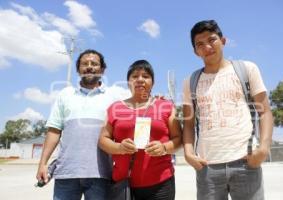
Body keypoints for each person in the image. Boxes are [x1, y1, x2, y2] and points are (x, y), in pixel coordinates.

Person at [182, 20, 273, 200]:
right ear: (195, 51)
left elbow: (265, 112)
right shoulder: (190, 81)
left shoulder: (247, 69)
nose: (207, 46)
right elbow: (189, 123)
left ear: (223, 41)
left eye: (212, 39)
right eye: (200, 44)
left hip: (246, 162)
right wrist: (188, 153)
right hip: (207, 166)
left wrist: (263, 148)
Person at [36, 49, 120, 200]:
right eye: (84, 64)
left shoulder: (113, 98)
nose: (89, 66)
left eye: (94, 64)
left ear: (102, 69)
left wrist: (153, 101)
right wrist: (43, 163)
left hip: (100, 174)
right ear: (78, 69)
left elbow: (125, 128)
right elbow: (54, 131)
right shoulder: (65, 95)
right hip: (66, 173)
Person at [99, 60, 182, 200]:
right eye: (135, 76)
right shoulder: (115, 108)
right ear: (128, 82)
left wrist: (164, 147)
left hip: (160, 183)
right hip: (123, 183)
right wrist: (119, 147)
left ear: (153, 82)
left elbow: (178, 138)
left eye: (145, 76)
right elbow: (102, 140)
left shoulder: (166, 106)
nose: (140, 80)